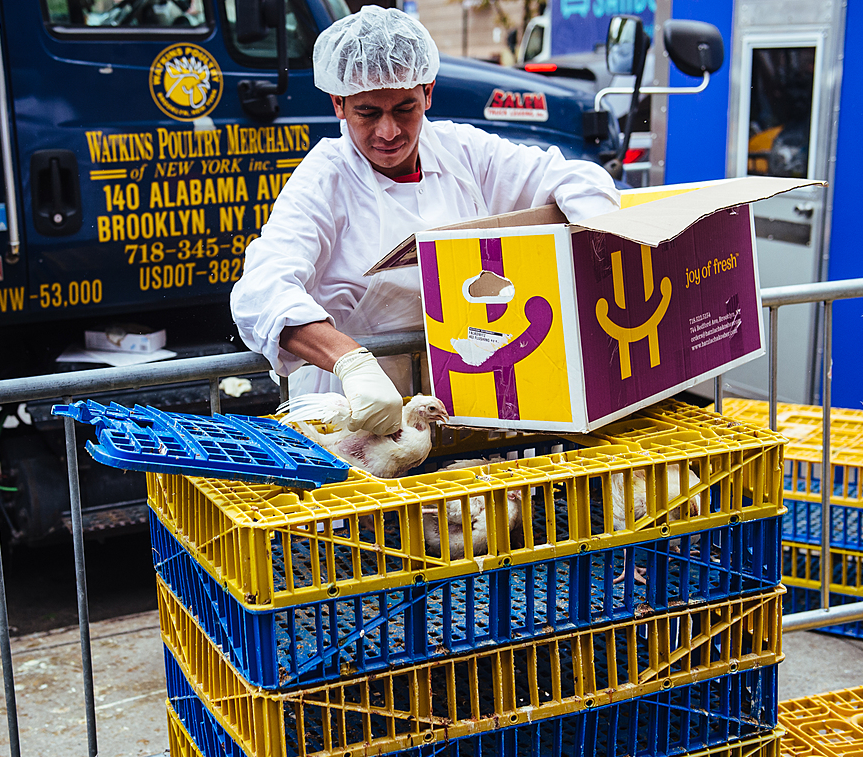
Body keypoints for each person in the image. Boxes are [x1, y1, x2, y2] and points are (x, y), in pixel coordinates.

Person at [230, 6, 619, 436]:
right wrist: (352, 363)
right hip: (358, 414)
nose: (389, 132)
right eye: (367, 113)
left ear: (428, 93)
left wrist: (606, 247)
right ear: (338, 104)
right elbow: (262, 291)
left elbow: (573, 177)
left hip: (461, 404)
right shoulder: (325, 179)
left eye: (404, 108)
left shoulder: (463, 151)